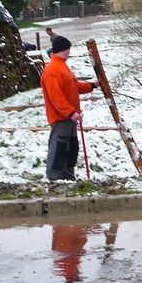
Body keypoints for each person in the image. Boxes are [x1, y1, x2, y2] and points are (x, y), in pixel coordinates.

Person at [40, 36, 95, 180]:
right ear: (62, 50)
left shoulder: (63, 66)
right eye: (68, 49)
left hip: (70, 116)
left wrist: (92, 86)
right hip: (61, 117)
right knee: (59, 147)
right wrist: (70, 113)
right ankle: (54, 176)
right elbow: (56, 97)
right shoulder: (52, 70)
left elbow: (74, 86)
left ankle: (68, 175)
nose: (69, 52)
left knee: (71, 148)